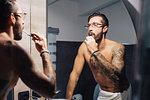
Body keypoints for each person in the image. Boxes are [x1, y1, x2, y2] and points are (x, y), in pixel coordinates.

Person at [66, 12, 131, 100]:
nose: (90, 29)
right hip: (102, 91)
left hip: (119, 93)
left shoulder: (117, 48)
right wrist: (68, 98)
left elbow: (116, 76)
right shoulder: (84, 47)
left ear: (104, 29)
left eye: (95, 25)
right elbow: (74, 75)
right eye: (89, 25)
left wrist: (95, 51)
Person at [0, 0, 56, 100]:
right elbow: (50, 91)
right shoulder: (12, 50)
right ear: (12, 18)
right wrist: (44, 50)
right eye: (22, 16)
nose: (23, 22)